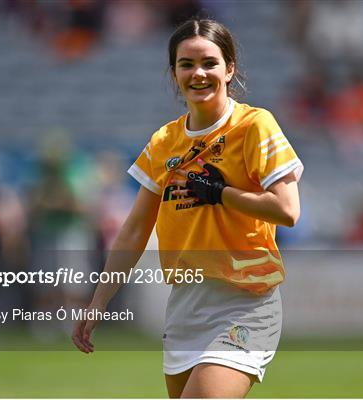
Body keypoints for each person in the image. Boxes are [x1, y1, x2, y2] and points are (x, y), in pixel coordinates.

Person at [72, 19, 303, 398]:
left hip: (245, 302)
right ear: (174, 73)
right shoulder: (165, 141)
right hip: (186, 305)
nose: (199, 73)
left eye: (210, 63)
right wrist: (98, 302)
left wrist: (220, 193)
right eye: (186, 64)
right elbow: (133, 231)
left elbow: (288, 210)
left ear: (230, 69)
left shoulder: (255, 125)